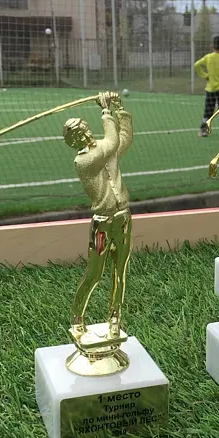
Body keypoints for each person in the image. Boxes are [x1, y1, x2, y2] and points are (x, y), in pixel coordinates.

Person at [64, 92, 133, 345]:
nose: (85, 135)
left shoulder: (105, 151)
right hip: (102, 222)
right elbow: (112, 142)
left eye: (85, 130)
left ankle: (115, 318)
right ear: (73, 142)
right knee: (94, 273)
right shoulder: (84, 161)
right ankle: (77, 317)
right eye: (79, 135)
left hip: (123, 217)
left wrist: (120, 110)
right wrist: (105, 112)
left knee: (120, 271)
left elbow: (123, 139)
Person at [194, 35, 219, 138]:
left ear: (212, 46)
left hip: (210, 88)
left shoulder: (208, 57)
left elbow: (196, 65)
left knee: (208, 110)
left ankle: (204, 130)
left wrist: (205, 75)